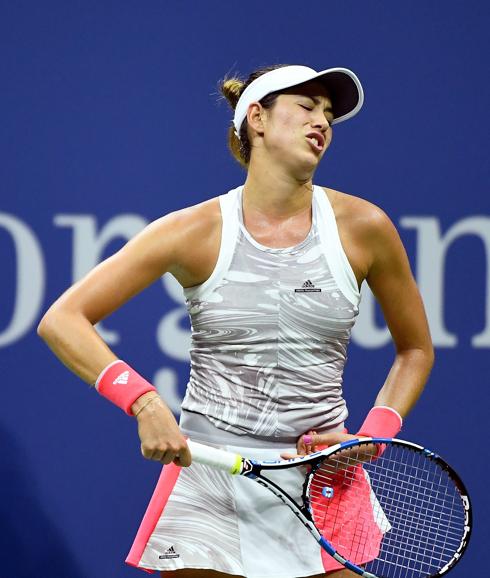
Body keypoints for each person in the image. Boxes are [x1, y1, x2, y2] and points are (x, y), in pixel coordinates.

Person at [38, 64, 434, 578]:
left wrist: (370, 437)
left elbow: (415, 349)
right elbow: (63, 319)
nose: (323, 123)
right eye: (306, 107)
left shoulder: (365, 228)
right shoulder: (194, 230)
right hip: (210, 481)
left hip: (326, 480)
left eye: (330, 115)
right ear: (257, 118)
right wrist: (143, 402)